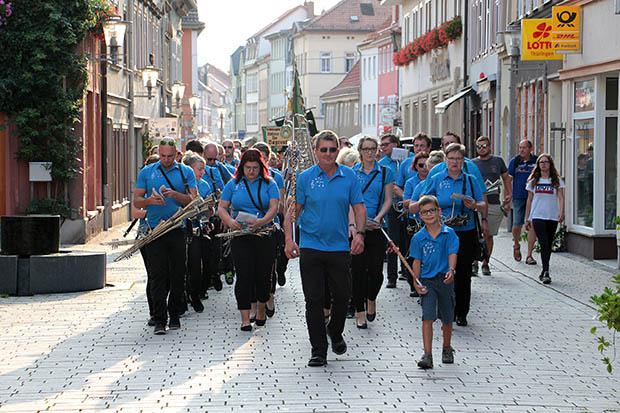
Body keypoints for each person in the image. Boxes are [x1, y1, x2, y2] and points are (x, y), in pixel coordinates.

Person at [284, 130, 366, 367]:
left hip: (339, 246)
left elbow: (359, 208)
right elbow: (292, 212)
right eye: (324, 150)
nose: (329, 154)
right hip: (311, 246)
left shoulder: (349, 176)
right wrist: (289, 240)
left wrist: (359, 234)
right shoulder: (305, 177)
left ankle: (335, 330)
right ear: (315, 151)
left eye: (332, 149)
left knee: (342, 296)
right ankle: (318, 350)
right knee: (314, 299)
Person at [411, 143, 485, 327]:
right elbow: (424, 201)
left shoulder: (470, 180)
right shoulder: (436, 178)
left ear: (463, 161)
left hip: (464, 231)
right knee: (439, 270)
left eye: (458, 159)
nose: (455, 162)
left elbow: (484, 205)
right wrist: (433, 211)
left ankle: (461, 311)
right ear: (445, 160)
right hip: (440, 232)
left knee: (463, 272)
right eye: (451, 158)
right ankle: (444, 308)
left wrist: (474, 205)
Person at [133, 137, 197, 334]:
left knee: (178, 274)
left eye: (170, 156)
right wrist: (150, 201)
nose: (166, 160)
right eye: (162, 156)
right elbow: (136, 201)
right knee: (157, 276)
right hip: (155, 230)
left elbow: (194, 201)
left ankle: (175, 314)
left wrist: (175, 195)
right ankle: (160, 320)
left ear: (176, 154)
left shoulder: (186, 172)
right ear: (158, 153)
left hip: (177, 228)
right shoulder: (147, 172)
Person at [217, 149, 280, 331]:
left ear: (261, 167)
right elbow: (222, 207)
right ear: (241, 167)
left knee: (263, 274)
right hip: (241, 235)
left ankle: (261, 308)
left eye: (255, 168)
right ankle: (245, 318)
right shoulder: (234, 184)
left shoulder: (270, 184)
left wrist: (262, 221)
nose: (251, 171)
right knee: (244, 275)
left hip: (264, 234)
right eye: (247, 168)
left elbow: (274, 207)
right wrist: (230, 221)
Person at [406, 195, 458, 370]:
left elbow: (452, 254)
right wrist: (416, 282)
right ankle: (427, 354)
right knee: (427, 316)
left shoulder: (449, 234)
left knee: (447, 317)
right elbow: (416, 262)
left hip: (444, 280)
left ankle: (446, 347)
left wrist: (451, 270)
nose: (428, 214)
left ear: (439, 212)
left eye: (431, 211)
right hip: (427, 281)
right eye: (424, 212)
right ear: (420, 216)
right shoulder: (418, 238)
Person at [351, 137, 394, 329]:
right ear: (360, 151)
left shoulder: (385, 172)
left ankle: (371, 298)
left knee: (376, 272)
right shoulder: (351, 173)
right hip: (358, 228)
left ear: (377, 151)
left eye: (373, 148)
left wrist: (378, 218)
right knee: (357, 270)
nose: (369, 152)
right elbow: (348, 201)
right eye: (366, 149)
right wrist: (354, 226)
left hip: (376, 227)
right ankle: (359, 310)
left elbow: (388, 200)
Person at [472, 136, 512, 276]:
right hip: (477, 204)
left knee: (489, 235)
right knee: (476, 235)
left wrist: (508, 195)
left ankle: (486, 262)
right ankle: (474, 262)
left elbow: (506, 178)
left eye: (484, 146)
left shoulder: (498, 161)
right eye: (479, 146)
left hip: (494, 203)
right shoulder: (472, 163)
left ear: (490, 147)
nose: (482, 149)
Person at [182, 151, 215, 312]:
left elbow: (209, 213)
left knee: (196, 266)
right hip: (181, 228)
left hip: (196, 229)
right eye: (199, 169)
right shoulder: (180, 184)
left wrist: (209, 210)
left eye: (204, 169)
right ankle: (182, 297)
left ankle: (195, 295)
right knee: (181, 267)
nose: (202, 172)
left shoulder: (205, 185)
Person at [524, 154, 565, 284]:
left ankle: (544, 271)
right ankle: (546, 271)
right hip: (537, 215)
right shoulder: (533, 181)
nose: (543, 164)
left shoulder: (556, 180)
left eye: (546, 162)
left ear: (550, 164)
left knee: (548, 243)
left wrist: (561, 212)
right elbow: (529, 199)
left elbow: (561, 197)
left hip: (552, 216)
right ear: (538, 165)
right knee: (543, 242)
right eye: (541, 162)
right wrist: (527, 217)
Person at [401, 151, 430, 296]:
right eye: (420, 165)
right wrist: (418, 200)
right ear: (415, 166)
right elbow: (406, 202)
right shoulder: (411, 182)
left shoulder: (433, 180)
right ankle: (414, 283)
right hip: (414, 221)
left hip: (430, 222)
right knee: (413, 254)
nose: (424, 167)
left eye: (426, 164)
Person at [378, 134, 403, 289]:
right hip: (391, 207)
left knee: (408, 243)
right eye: (382, 145)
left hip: (407, 205)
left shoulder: (408, 160)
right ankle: (391, 277)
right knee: (392, 241)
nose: (383, 147)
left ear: (396, 145)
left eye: (386, 144)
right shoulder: (381, 164)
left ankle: (407, 272)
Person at [508, 140, 538, 264]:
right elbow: (508, 179)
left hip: (534, 197)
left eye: (524, 147)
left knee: (531, 224)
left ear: (530, 148)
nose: (521, 150)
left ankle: (529, 254)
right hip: (518, 196)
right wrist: (508, 195)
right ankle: (516, 244)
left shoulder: (536, 161)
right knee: (516, 224)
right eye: (520, 147)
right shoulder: (515, 162)